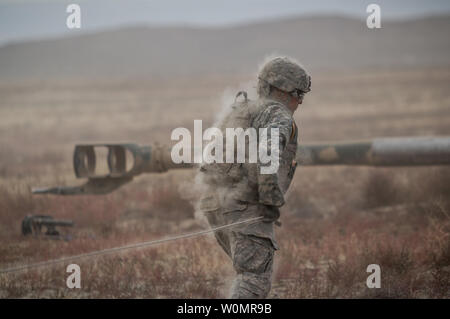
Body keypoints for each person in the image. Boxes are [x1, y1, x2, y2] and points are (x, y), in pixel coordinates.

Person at [197, 56, 311, 298]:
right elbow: (268, 153)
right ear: (284, 90)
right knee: (253, 279)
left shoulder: (242, 109)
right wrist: (270, 199)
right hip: (243, 208)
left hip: (215, 204)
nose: (300, 101)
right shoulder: (278, 114)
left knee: (249, 272)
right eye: (299, 93)